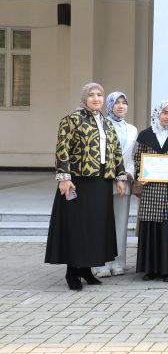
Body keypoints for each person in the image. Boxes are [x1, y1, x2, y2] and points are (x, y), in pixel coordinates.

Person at [45, 83, 127, 290]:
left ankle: (86, 269)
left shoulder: (106, 123)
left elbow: (116, 152)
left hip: (102, 180)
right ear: (84, 98)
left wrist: (120, 177)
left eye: (100, 95)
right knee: (78, 226)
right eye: (91, 95)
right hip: (79, 181)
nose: (96, 98)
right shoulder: (72, 120)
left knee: (95, 225)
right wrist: (64, 178)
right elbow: (62, 149)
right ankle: (72, 271)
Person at [134, 100, 168, 282]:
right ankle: (151, 269)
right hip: (151, 189)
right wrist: (140, 174)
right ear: (158, 113)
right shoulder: (145, 135)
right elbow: (138, 159)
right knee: (151, 227)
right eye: (165, 113)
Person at [94, 91, 138, 278]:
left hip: (124, 179)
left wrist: (129, 174)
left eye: (124, 102)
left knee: (120, 221)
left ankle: (119, 261)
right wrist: (115, 175)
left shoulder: (132, 129)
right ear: (109, 105)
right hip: (103, 179)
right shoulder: (100, 125)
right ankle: (101, 263)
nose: (121, 106)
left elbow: (133, 157)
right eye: (117, 102)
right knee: (102, 222)